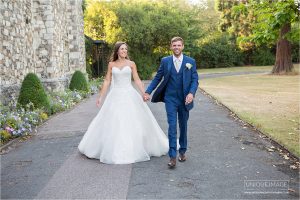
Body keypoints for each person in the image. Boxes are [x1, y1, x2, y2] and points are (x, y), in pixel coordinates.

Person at [78, 42, 168, 164]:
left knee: (133, 120)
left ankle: (136, 147)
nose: (124, 51)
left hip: (129, 94)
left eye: (126, 49)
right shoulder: (111, 64)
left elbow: (136, 79)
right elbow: (107, 81)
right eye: (122, 49)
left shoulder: (131, 64)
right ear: (117, 51)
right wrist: (101, 97)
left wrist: (144, 93)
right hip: (115, 96)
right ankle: (113, 149)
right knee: (114, 121)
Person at [144, 37, 199, 168]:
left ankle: (183, 151)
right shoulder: (165, 61)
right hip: (170, 99)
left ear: (183, 46)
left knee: (183, 126)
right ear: (171, 47)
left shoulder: (190, 62)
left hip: (185, 99)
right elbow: (157, 77)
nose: (176, 47)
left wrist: (191, 93)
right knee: (172, 126)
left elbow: (194, 80)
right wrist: (148, 91)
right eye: (174, 45)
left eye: (179, 45)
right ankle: (172, 156)